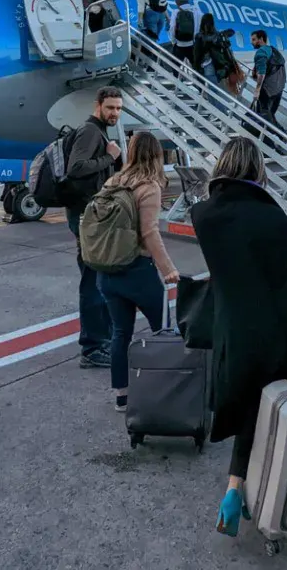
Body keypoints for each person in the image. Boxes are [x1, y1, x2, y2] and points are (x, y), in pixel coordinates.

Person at [191, 137, 287, 537]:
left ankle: (235, 489)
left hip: (229, 328)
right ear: (257, 169)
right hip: (269, 331)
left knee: (249, 405)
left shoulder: (203, 215)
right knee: (268, 410)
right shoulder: (272, 219)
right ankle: (260, 494)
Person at [96, 132, 181, 412]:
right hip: (137, 271)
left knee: (121, 333)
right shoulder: (149, 186)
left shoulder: (113, 181)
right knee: (164, 331)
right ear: (156, 154)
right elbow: (149, 232)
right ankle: (167, 390)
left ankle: (122, 395)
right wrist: (167, 268)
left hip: (107, 271)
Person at [65, 86, 125, 368]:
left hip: (93, 217)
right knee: (92, 283)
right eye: (110, 107)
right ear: (98, 105)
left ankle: (104, 339)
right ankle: (91, 348)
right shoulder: (90, 131)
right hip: (87, 219)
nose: (115, 113)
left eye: (118, 108)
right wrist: (110, 157)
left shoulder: (99, 131)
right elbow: (75, 168)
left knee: (99, 282)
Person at [192, 13, 238, 108]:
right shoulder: (217, 35)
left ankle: (221, 112)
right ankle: (217, 111)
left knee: (212, 91)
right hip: (218, 66)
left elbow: (197, 54)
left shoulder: (200, 36)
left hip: (207, 66)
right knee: (212, 90)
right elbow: (231, 32)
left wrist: (195, 66)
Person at [250, 29, 287, 122]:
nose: (252, 42)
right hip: (279, 89)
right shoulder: (273, 50)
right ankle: (277, 134)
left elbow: (261, 73)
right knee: (269, 116)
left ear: (261, 39)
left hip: (267, 90)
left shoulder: (261, 52)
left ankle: (276, 134)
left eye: (254, 39)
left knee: (261, 117)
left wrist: (257, 91)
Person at [169, 0, 198, 66]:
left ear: (178, 2)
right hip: (191, 44)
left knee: (175, 66)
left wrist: (173, 41)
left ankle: (175, 77)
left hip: (179, 45)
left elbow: (172, 27)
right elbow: (198, 28)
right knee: (196, 66)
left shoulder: (176, 12)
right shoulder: (196, 11)